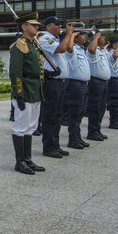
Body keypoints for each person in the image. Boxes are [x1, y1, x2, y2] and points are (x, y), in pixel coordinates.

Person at [9, 13, 55, 174]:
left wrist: (48, 74)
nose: (37, 27)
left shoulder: (32, 45)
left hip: (36, 90)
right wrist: (19, 93)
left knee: (30, 127)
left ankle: (27, 159)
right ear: (24, 27)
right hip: (26, 91)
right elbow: (15, 72)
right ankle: (19, 161)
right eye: (33, 25)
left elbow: (35, 69)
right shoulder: (20, 45)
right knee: (20, 127)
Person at [38, 16, 73, 159]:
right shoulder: (46, 39)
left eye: (60, 24)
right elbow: (61, 49)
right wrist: (69, 34)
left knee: (58, 116)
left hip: (60, 82)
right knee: (50, 116)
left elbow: (68, 48)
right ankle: (49, 147)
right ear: (48, 27)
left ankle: (55, 145)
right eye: (56, 24)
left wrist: (67, 36)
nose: (60, 27)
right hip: (51, 82)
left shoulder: (57, 38)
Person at [65, 30, 91, 150]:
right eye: (82, 35)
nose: (85, 37)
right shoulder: (72, 48)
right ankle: (73, 139)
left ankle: (77, 137)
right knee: (74, 113)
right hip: (75, 84)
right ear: (75, 38)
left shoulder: (81, 49)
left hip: (83, 85)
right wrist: (71, 35)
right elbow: (69, 48)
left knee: (80, 112)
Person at [85, 30, 111, 141]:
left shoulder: (101, 50)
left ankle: (97, 130)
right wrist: (96, 37)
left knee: (101, 108)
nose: (103, 38)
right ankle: (92, 131)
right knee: (94, 108)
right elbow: (91, 49)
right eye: (102, 36)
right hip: (95, 82)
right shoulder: (92, 49)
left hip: (103, 83)